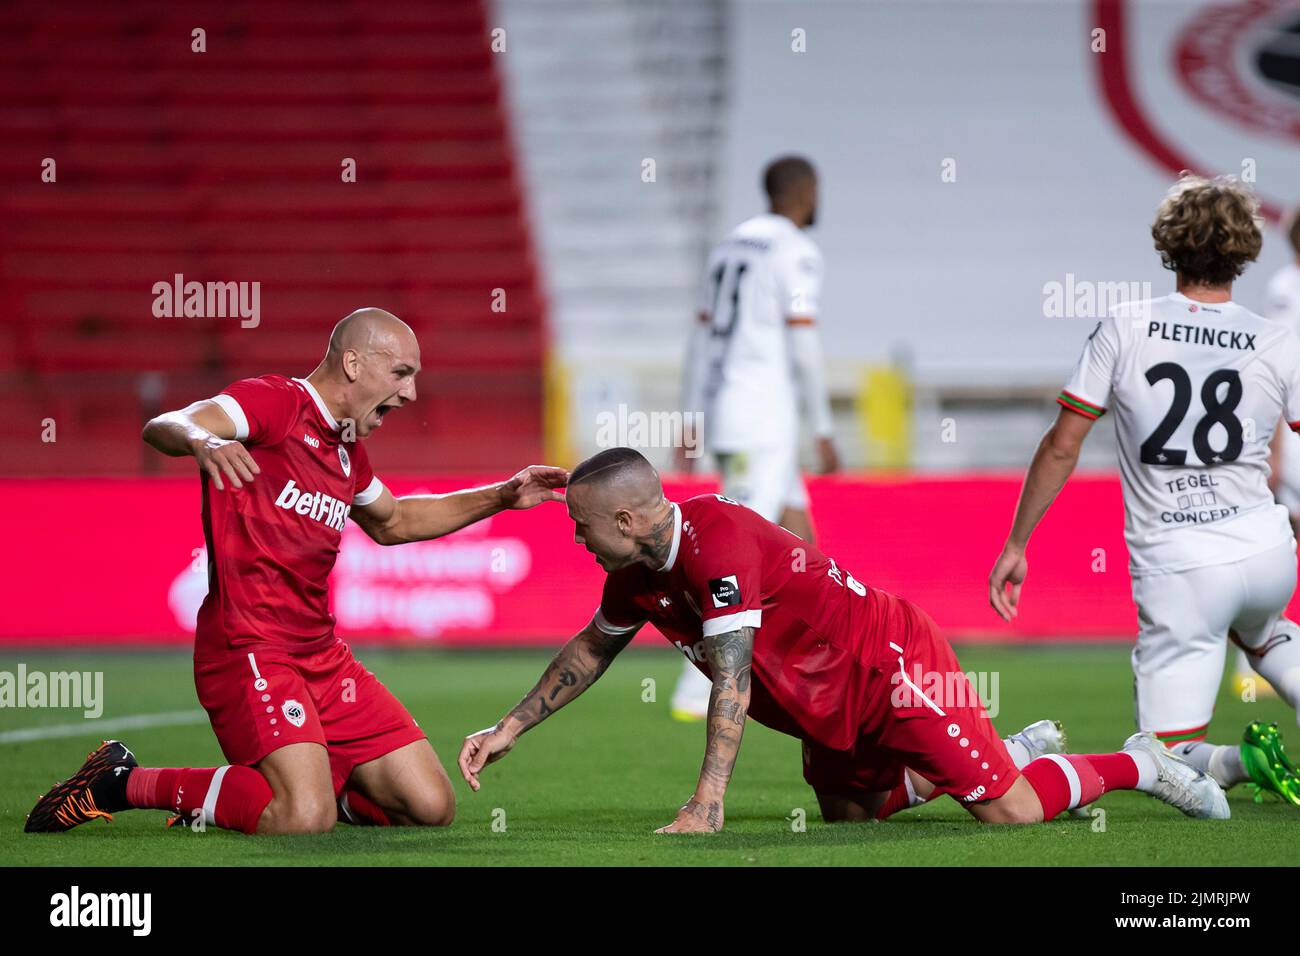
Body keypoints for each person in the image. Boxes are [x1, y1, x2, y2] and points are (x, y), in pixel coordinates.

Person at [459, 448, 1228, 833]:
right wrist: (510, 727)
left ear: (626, 521)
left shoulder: (716, 541)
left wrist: (707, 802)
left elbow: (732, 681)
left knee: (1011, 815)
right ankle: (1005, 752)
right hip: (826, 702)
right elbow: (591, 649)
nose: (577, 539)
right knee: (849, 816)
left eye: (582, 526)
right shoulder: (634, 576)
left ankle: (1138, 763)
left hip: (890, 668)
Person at [26, 308, 568, 835]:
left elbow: (395, 520)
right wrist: (204, 439)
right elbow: (167, 424)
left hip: (321, 656)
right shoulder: (276, 404)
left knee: (429, 805)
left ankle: (297, 789)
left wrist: (502, 495)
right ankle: (123, 782)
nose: (411, 394)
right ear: (354, 364)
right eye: (401, 373)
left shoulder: (347, 451)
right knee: (302, 820)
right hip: (248, 648)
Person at [989, 175, 1300, 808]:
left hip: (1182, 565)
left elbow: (1062, 444)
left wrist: (1018, 541)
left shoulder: (1125, 325)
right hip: (1267, 549)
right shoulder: (1279, 339)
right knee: (1264, 631)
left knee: (1161, 757)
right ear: (1244, 249)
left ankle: (1238, 763)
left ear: (1169, 243)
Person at [671, 155, 840, 720]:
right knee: (731, 556)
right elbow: (805, 346)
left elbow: (700, 339)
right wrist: (823, 424)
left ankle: (831, 654)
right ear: (806, 192)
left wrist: (691, 413)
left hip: (733, 411)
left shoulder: (729, 246)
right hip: (764, 419)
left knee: (802, 541)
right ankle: (697, 688)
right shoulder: (795, 250)